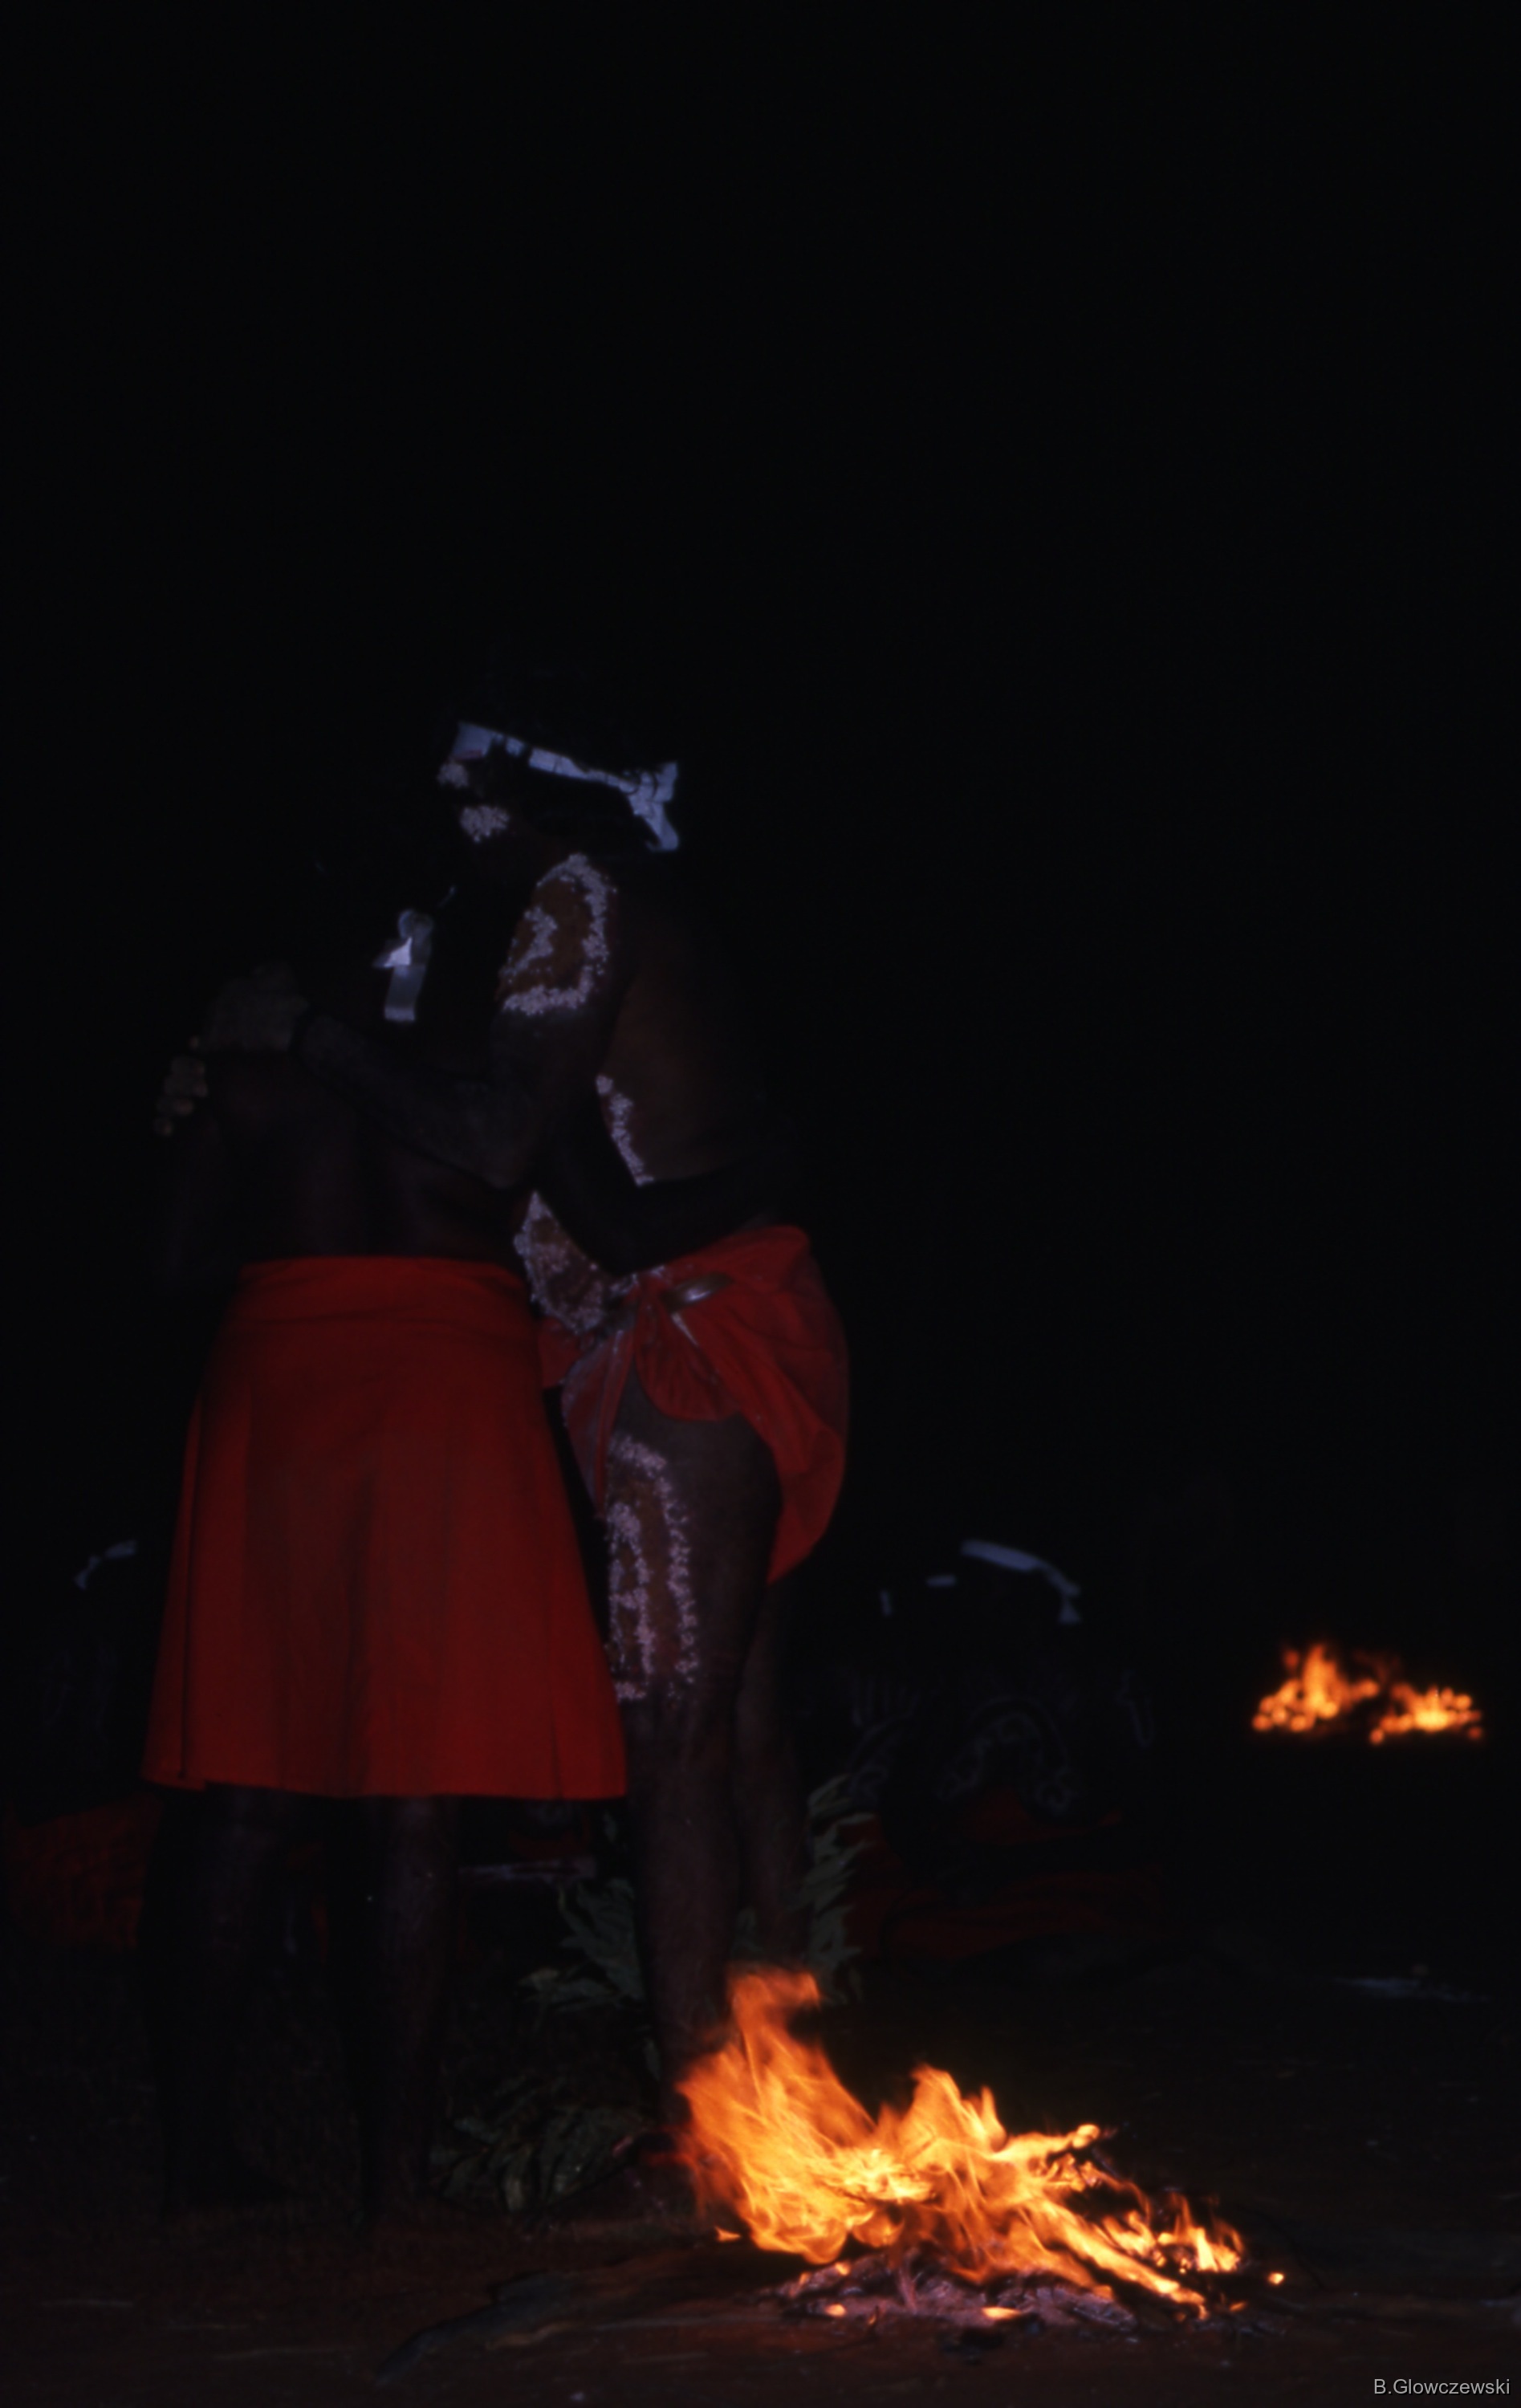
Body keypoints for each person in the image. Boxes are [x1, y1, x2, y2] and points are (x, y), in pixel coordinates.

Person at [192, 665, 849, 2188]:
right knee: (738, 1722)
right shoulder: (606, 906)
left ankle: (712, 2138)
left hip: (691, 1333)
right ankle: (788, 2088)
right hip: (726, 1306)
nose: (448, 817)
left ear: (518, 794)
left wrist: (307, 1039)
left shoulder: (577, 899)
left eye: (463, 790)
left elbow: (503, 1144)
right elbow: (589, 1184)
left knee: (675, 1725)